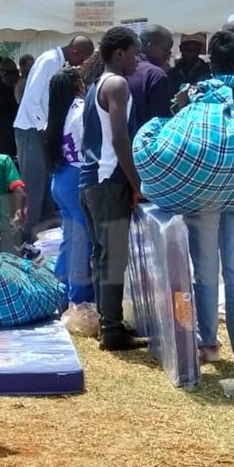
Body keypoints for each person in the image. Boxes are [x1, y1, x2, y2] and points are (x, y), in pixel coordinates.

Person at [178, 31, 234, 367]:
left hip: (206, 192)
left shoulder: (200, 97)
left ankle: (208, 344)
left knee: (206, 270)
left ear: (209, 59)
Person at [79, 26, 147, 352]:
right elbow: (120, 139)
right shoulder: (117, 84)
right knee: (113, 257)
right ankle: (113, 331)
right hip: (109, 182)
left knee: (101, 255)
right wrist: (138, 185)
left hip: (90, 181)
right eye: (135, 53)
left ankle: (109, 322)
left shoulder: (95, 86)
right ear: (119, 53)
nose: (139, 59)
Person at [13, 36, 95, 241]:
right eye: (83, 58)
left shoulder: (58, 62)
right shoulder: (49, 61)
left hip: (41, 129)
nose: (81, 65)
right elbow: (31, 101)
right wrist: (48, 130)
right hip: (32, 129)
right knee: (35, 187)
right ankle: (27, 238)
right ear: (75, 51)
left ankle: (43, 237)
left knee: (47, 187)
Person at [45, 55, 102, 306]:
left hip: (61, 176)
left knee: (70, 235)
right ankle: (79, 296)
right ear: (78, 85)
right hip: (77, 176)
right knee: (82, 239)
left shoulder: (59, 113)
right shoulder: (80, 110)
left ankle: (60, 287)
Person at [132, 24, 174, 125]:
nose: (168, 54)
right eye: (165, 49)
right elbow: (161, 120)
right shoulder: (156, 75)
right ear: (150, 46)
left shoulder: (123, 66)